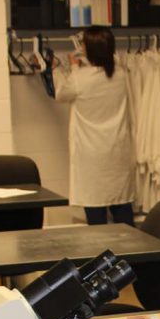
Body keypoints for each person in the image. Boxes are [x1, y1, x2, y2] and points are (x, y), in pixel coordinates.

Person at [55, 25, 136, 226]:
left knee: (96, 216)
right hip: (117, 152)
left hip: (91, 156)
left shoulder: (79, 78)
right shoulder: (121, 74)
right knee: (123, 211)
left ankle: (103, 257)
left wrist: (65, 67)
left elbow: (61, 94)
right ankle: (134, 255)